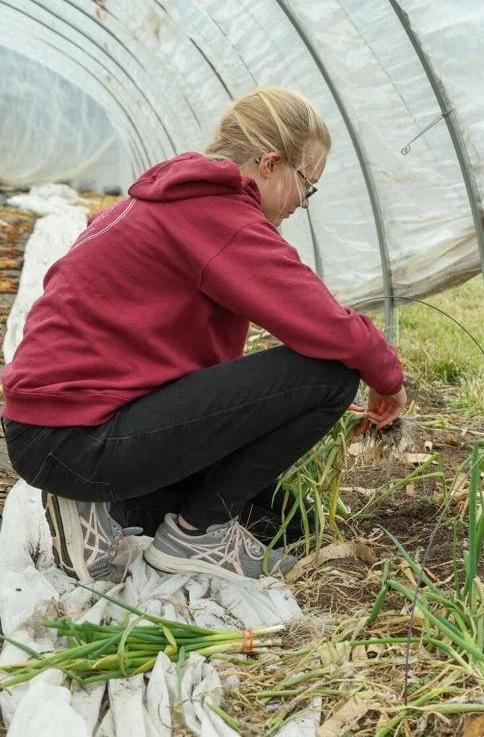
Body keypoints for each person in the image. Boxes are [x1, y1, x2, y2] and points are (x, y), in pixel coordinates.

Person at [1, 87, 407, 584]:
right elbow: (327, 325)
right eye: (307, 184)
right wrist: (388, 378)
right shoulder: (219, 215)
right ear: (270, 164)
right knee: (328, 375)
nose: (304, 204)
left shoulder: (170, 199)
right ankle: (197, 535)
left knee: (288, 523)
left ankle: (98, 508)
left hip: (55, 428)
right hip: (79, 436)